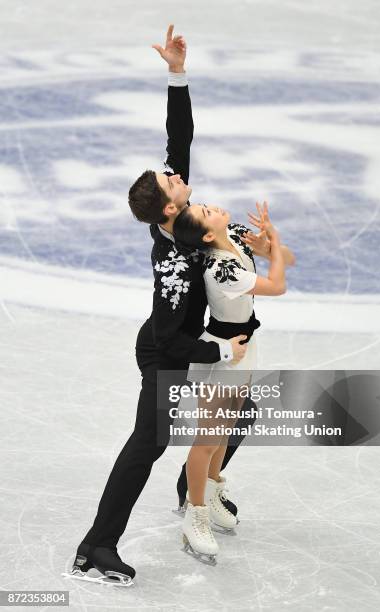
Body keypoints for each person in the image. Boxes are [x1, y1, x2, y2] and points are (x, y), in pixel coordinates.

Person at [63, 24, 260, 587]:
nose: (175, 173)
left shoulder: (187, 216)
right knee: (148, 442)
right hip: (166, 351)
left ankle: (190, 485)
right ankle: (95, 548)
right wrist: (220, 347)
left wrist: (176, 73)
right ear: (168, 211)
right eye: (168, 180)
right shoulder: (174, 262)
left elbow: (180, 140)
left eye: (170, 174)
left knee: (240, 411)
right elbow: (174, 341)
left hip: (185, 341)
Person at [173, 200, 295, 564]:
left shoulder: (237, 238)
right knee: (207, 438)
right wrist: (272, 249)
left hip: (245, 345)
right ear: (209, 234)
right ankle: (194, 516)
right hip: (223, 352)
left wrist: (271, 242)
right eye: (206, 212)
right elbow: (277, 285)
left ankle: (211, 493)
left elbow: (287, 260)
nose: (212, 206)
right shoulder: (221, 268)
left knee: (226, 429)